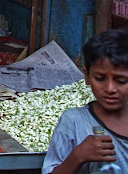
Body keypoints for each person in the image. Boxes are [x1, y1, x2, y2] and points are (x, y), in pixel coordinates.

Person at [42, 29, 128, 174]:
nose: (110, 89)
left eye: (121, 81)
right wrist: (77, 156)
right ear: (87, 76)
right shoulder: (74, 122)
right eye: (100, 79)